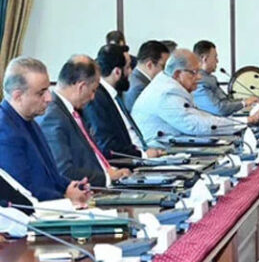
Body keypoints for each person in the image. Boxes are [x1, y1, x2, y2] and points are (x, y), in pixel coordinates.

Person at [0, 57, 90, 204]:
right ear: (18, 96)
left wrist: (71, 186)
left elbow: (50, 174)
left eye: (48, 89)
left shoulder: (29, 120)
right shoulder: (4, 132)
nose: (49, 98)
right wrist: (66, 198)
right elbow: (25, 192)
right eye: (41, 93)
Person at [132, 48, 259, 147]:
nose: (199, 77)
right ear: (177, 74)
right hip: (163, 155)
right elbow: (196, 125)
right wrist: (245, 121)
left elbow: (200, 117)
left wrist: (242, 121)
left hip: (176, 146)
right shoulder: (166, 94)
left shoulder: (169, 87)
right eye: (194, 72)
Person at [37, 55, 132, 187]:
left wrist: (111, 172)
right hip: (91, 190)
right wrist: (107, 178)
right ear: (81, 87)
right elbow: (64, 171)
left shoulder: (70, 111)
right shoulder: (53, 117)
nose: (93, 97)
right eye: (93, 91)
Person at [82, 44, 163, 160]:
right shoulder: (97, 99)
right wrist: (143, 155)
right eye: (128, 67)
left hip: (142, 156)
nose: (131, 72)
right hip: (130, 162)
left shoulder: (113, 95)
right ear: (117, 72)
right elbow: (107, 146)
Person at [192, 40, 259, 116]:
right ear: (204, 59)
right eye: (215, 57)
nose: (217, 61)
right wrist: (244, 103)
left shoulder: (210, 78)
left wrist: (246, 100)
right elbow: (219, 109)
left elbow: (226, 101)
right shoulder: (198, 82)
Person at [123, 40, 169, 112]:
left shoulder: (135, 79)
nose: (167, 71)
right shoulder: (139, 88)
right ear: (149, 65)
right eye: (164, 66)